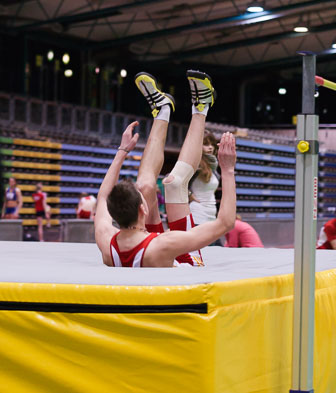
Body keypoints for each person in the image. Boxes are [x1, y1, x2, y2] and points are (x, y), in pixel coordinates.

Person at [95, 70, 236, 267]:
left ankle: (162, 111)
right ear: (142, 209)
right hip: (180, 263)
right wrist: (228, 170)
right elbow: (226, 223)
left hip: (150, 249)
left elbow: (102, 197)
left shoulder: (106, 240)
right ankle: (201, 107)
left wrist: (122, 151)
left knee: (144, 186)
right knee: (174, 183)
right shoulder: (164, 243)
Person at [189, 131, 221, 245]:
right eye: (206, 144)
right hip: (198, 215)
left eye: (212, 144)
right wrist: (189, 195)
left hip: (211, 216)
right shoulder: (195, 164)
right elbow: (171, 178)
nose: (210, 147)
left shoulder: (213, 167)